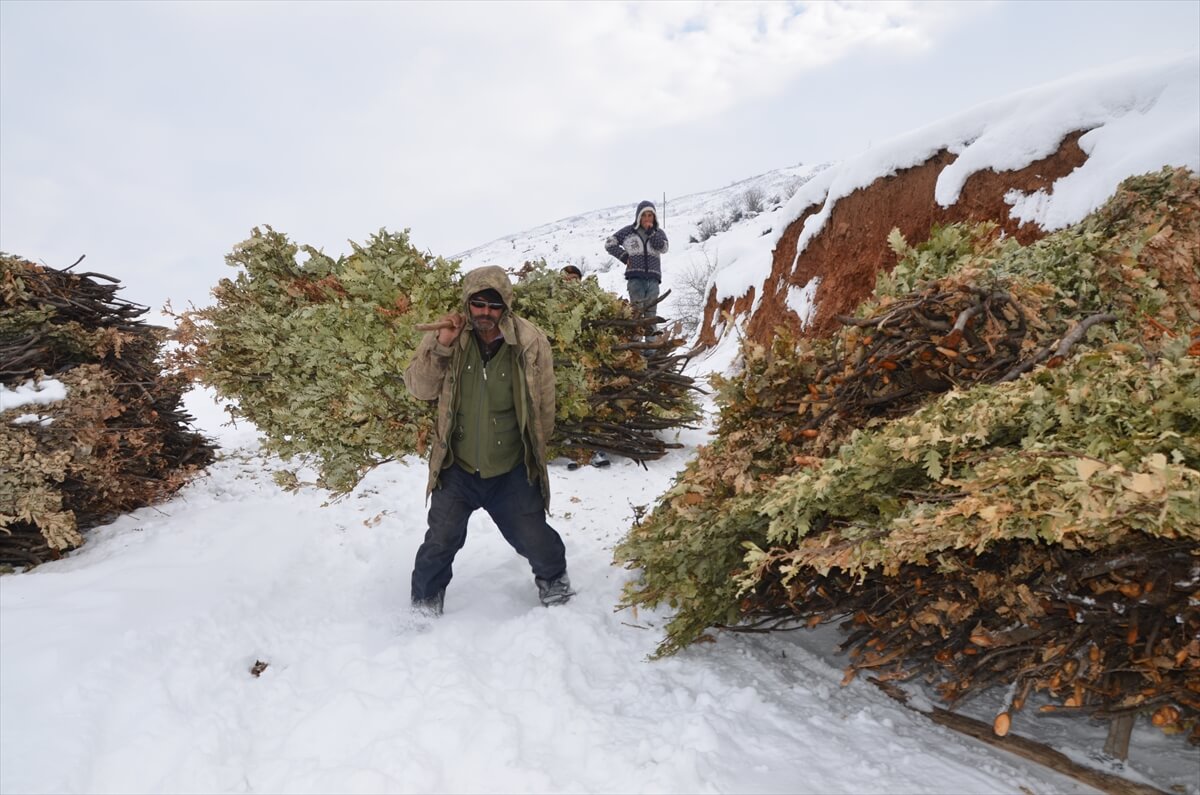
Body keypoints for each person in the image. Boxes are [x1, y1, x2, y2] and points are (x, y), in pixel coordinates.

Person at [404, 265, 573, 614]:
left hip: (510, 467)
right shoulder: (446, 335)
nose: (485, 313)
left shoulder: (529, 341)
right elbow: (419, 390)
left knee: (534, 536)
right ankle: (425, 600)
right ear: (467, 303)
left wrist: (536, 454)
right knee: (441, 538)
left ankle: (554, 579)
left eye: (493, 306)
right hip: (458, 466)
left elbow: (544, 402)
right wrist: (442, 347)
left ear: (506, 307)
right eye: (478, 304)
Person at [605, 200, 669, 329]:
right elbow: (609, 243)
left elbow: (663, 248)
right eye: (643, 215)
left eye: (650, 215)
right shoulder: (628, 231)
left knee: (651, 315)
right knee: (636, 314)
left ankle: (651, 348)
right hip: (635, 279)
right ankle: (636, 346)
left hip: (653, 279)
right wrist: (624, 257)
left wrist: (652, 233)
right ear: (638, 216)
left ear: (654, 217)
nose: (646, 218)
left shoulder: (659, 232)